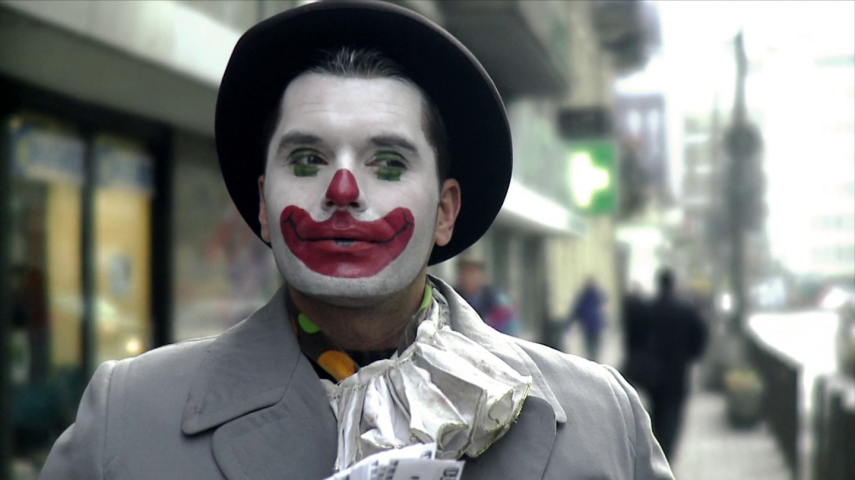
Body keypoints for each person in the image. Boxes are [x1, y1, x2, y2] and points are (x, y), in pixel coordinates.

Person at [40, 2, 673, 479]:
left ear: (445, 212)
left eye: (388, 163)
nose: (342, 189)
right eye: (307, 160)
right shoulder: (124, 423)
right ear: (263, 205)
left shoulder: (604, 422)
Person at [626, 268, 708, 461]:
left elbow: (635, 338)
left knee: (657, 412)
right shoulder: (686, 310)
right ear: (674, 285)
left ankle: (659, 450)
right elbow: (700, 335)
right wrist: (692, 355)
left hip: (654, 373)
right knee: (674, 415)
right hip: (677, 372)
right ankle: (667, 454)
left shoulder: (649, 309)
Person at [454, 257, 520, 336]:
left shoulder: (498, 302)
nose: (468, 278)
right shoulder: (450, 299)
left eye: (473, 272)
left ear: (482, 276)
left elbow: (509, 332)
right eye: (464, 273)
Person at [569, 276, 608, 361]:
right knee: (595, 345)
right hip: (596, 325)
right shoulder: (596, 295)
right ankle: (595, 359)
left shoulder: (583, 296)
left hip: (588, 325)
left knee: (590, 346)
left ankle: (592, 359)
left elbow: (577, 310)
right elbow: (605, 299)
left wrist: (571, 322)